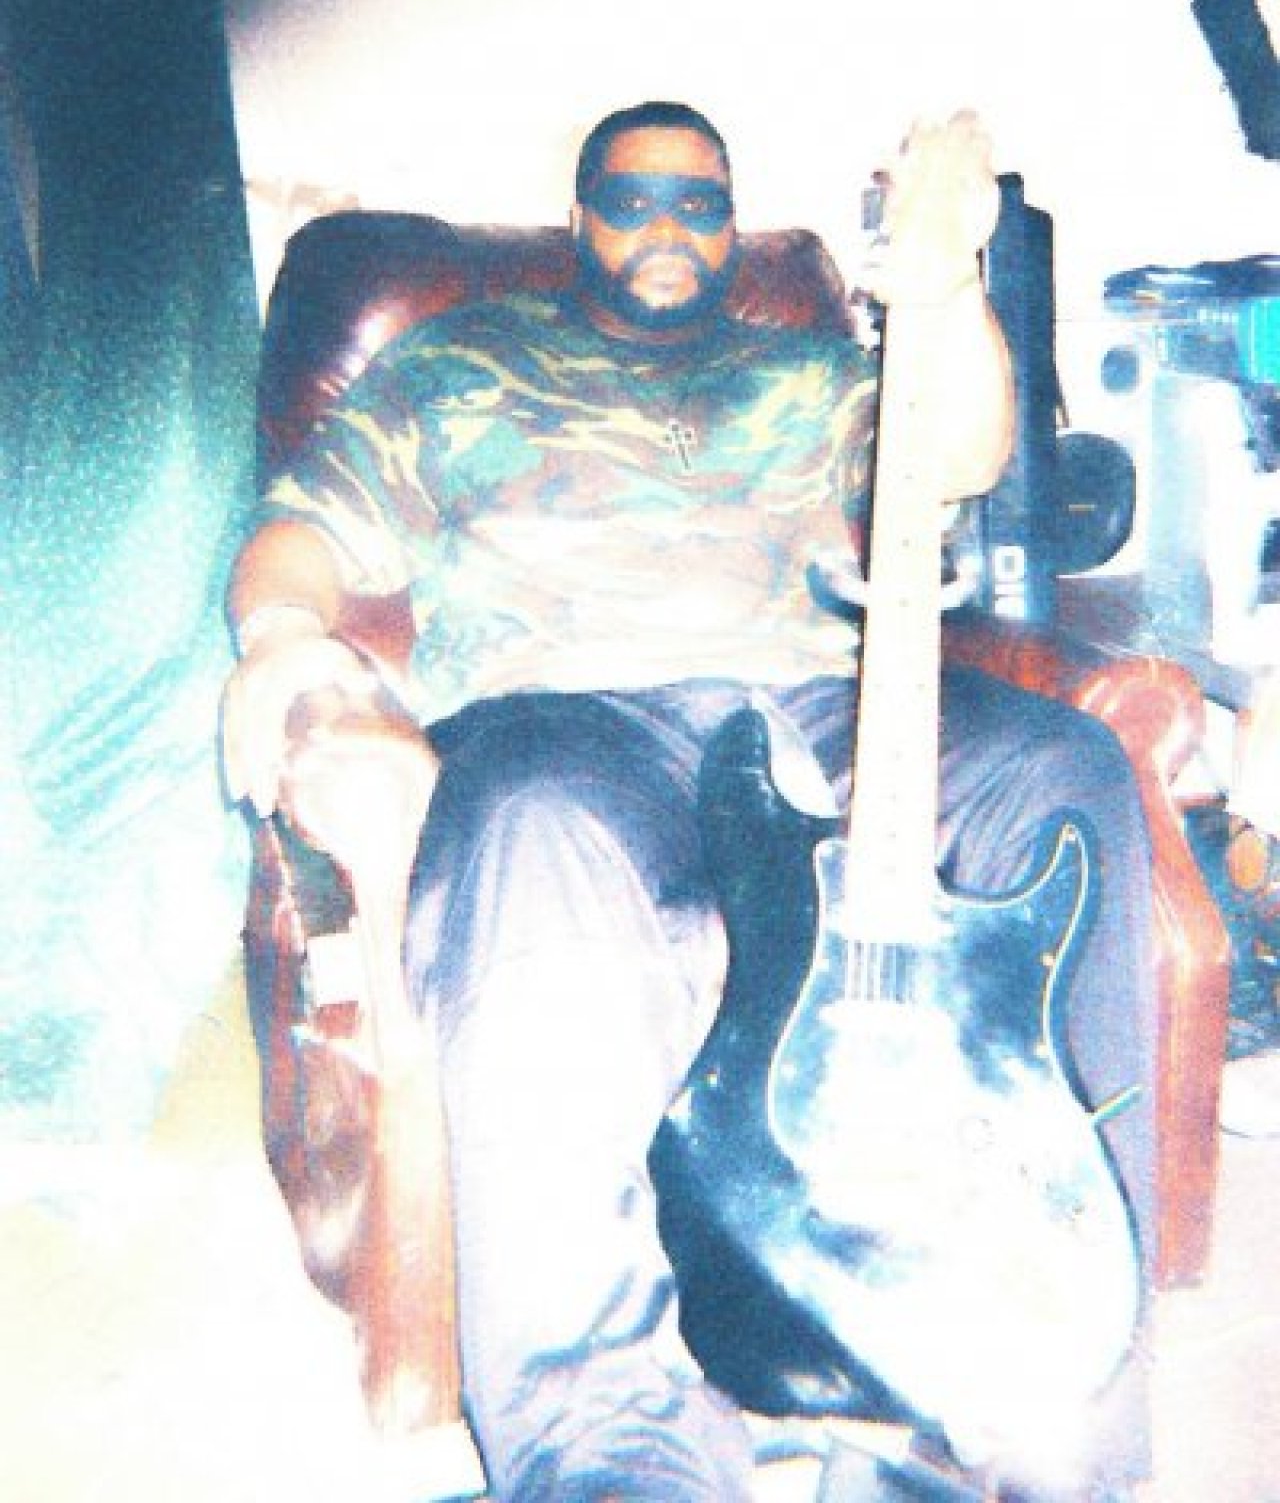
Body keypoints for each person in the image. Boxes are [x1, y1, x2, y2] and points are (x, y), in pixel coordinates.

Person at [222, 102, 1155, 1501]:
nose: (668, 226)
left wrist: (951, 277)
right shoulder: (460, 361)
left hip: (819, 709)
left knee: (1066, 772)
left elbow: (961, 452)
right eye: (633, 198)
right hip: (567, 719)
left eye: (700, 203)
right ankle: (614, 1449)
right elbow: (302, 531)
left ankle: (1049, 1395)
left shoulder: (811, 365)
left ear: (733, 224)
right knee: (528, 840)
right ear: (581, 215)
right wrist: (284, 644)